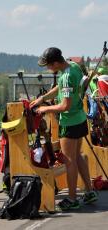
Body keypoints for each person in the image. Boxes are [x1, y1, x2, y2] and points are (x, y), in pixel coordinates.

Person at [30, 47, 98, 211]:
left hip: (70, 122)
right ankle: (89, 191)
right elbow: (60, 88)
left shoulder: (66, 76)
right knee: (77, 156)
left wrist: (45, 109)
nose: (48, 68)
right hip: (80, 119)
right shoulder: (72, 66)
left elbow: (65, 106)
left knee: (69, 161)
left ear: (55, 63)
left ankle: (72, 198)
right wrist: (43, 98)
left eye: (48, 65)